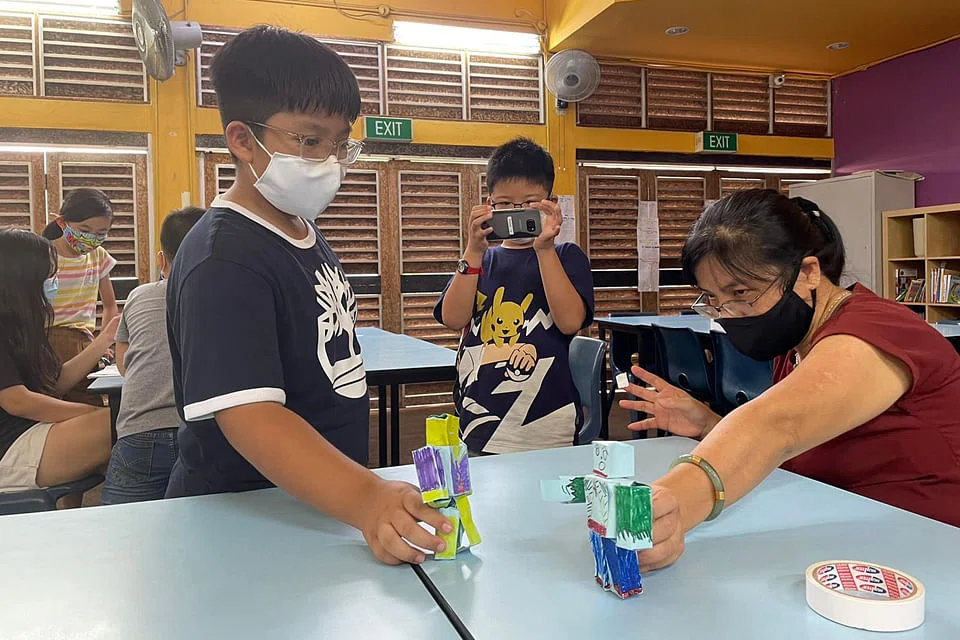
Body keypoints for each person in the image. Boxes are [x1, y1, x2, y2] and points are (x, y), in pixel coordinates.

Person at [164, 26, 451, 564]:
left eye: (341, 143)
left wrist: (354, 493)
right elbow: (251, 416)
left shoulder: (300, 230)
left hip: (310, 507)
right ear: (242, 140)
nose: (330, 161)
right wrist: (366, 498)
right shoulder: (223, 257)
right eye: (311, 141)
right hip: (244, 522)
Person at [620, 189, 960, 572]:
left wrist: (671, 505)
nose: (727, 314)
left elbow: (778, 427)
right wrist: (708, 424)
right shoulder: (796, 341)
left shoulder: (876, 331)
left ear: (809, 273)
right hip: (851, 545)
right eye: (714, 299)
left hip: (932, 553)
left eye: (741, 293)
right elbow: (799, 447)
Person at [434, 138, 595, 455]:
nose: (515, 214)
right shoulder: (482, 261)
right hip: (479, 418)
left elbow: (570, 322)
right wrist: (473, 250)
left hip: (546, 422)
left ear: (552, 203)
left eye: (529, 203)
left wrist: (544, 249)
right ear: (489, 205)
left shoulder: (566, 256)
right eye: (505, 204)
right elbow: (453, 318)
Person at [99, 207, 205, 505]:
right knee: (206, 520)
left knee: (123, 525)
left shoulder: (140, 295)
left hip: (140, 429)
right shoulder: (232, 296)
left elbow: (124, 362)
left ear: (161, 260)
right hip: (204, 431)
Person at [0, 229, 115, 499]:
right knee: (123, 424)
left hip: (32, 433)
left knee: (128, 429)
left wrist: (104, 339)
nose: (55, 282)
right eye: (50, 275)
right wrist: (87, 412)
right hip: (11, 449)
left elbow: (56, 382)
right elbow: (17, 401)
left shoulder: (25, 325)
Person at [42, 188, 118, 404]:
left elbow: (110, 305)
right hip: (45, 340)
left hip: (84, 342)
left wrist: (103, 343)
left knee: (88, 402)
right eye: (84, 230)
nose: (91, 238)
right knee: (49, 401)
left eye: (100, 233)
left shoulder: (98, 256)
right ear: (62, 223)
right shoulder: (44, 254)